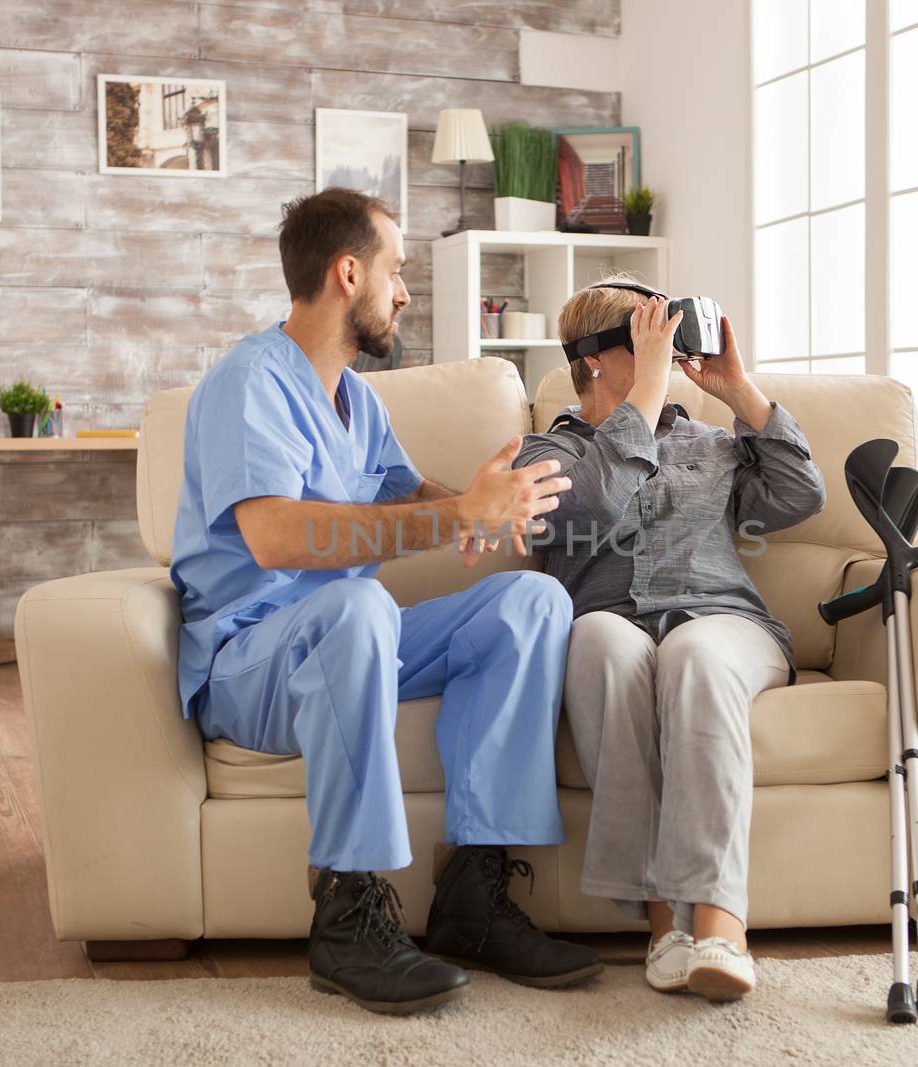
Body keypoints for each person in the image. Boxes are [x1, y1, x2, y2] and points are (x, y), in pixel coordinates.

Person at [169, 187, 600, 1015]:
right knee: (359, 609)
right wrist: (452, 515)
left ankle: (474, 897)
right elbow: (275, 538)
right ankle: (347, 913)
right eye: (397, 272)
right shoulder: (247, 382)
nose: (403, 292)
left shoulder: (357, 401)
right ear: (348, 272)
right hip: (250, 662)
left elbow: (414, 496)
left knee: (530, 604)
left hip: (349, 645)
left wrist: (484, 500)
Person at [514, 282, 826, 1002]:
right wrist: (646, 394)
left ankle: (719, 928)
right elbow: (591, 501)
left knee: (693, 655)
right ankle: (665, 927)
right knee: (595, 640)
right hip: (610, 619)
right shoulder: (548, 449)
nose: (665, 348)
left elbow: (800, 495)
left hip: (722, 622)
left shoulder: (712, 443)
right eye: (648, 335)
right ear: (593, 360)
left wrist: (739, 390)